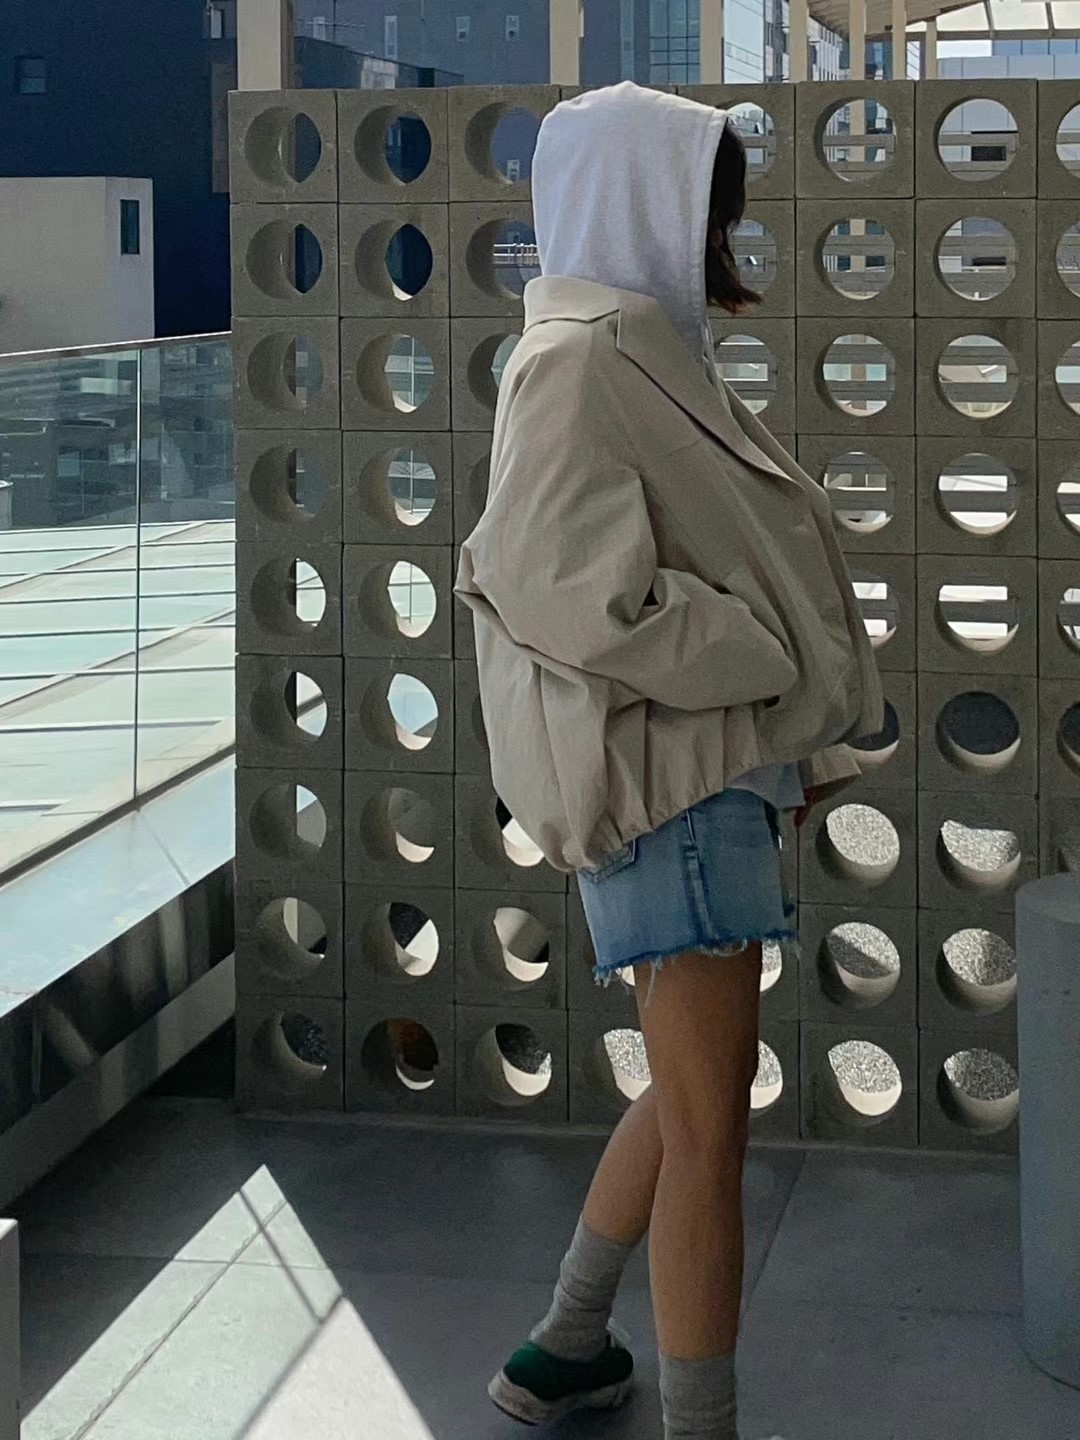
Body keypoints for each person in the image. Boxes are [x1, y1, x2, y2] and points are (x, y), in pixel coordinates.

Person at [455, 82, 883, 1440]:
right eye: (699, 208)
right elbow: (563, 588)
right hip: (675, 793)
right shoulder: (580, 360)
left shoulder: (636, 348)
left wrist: (779, 742)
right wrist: (757, 656)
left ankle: (566, 1345)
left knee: (693, 1093)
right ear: (638, 199)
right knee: (711, 1130)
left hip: (707, 781)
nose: (716, 239)